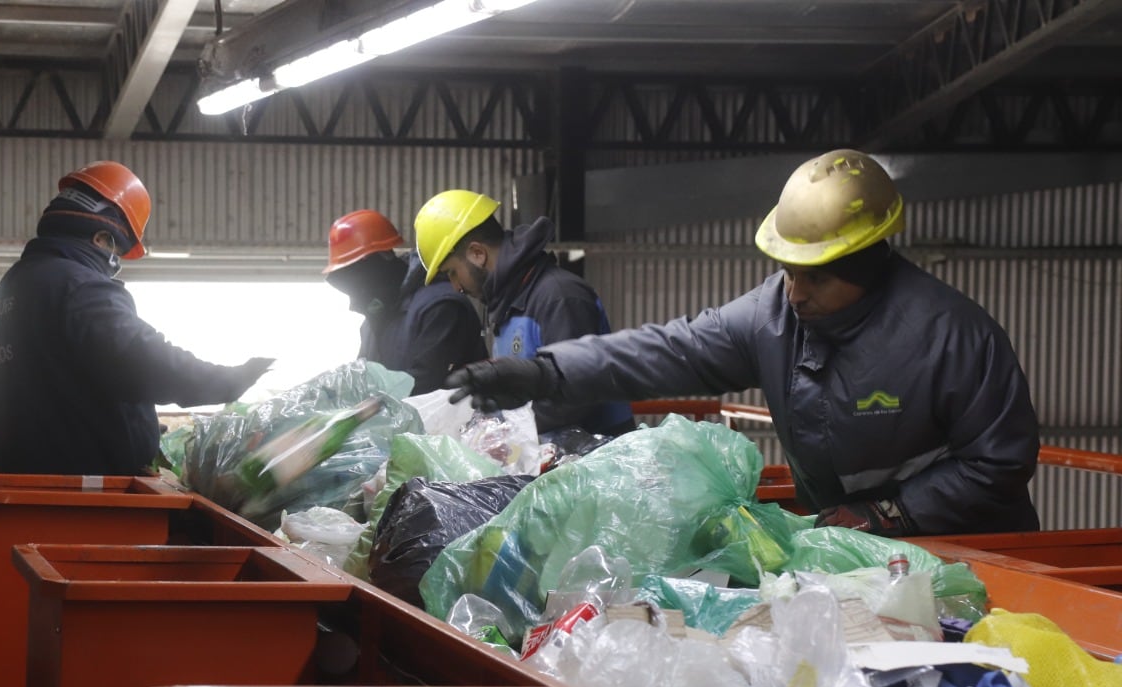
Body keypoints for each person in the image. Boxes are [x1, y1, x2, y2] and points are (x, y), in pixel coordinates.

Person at [442, 149, 1041, 537]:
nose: (795, 292)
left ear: (865, 266)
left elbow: (1000, 459)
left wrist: (894, 512)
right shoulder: (772, 317)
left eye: (816, 275)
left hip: (972, 546)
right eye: (787, 269)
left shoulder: (949, 336)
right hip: (854, 543)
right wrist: (547, 373)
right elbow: (670, 350)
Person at [0, 160, 273, 475]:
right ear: (102, 239)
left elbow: (60, 389)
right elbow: (146, 361)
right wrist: (230, 381)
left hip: (26, 493)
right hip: (90, 503)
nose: (114, 266)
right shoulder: (79, 288)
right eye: (118, 253)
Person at [414, 190, 635, 437]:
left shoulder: (558, 297)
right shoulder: (506, 303)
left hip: (595, 460)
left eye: (453, 272)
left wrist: (502, 434)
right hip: (548, 458)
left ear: (478, 253)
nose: (456, 287)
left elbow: (576, 395)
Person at [322, 209, 486, 395]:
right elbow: (365, 376)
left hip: (453, 421)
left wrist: (364, 401)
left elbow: (427, 382)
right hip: (403, 422)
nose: (357, 290)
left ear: (381, 259)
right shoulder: (375, 317)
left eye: (356, 275)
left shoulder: (440, 305)